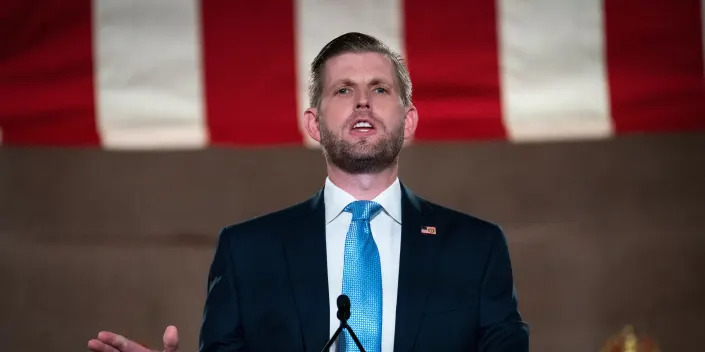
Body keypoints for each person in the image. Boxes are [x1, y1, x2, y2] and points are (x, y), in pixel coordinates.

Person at [88, 32, 529, 352]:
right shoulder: (247, 252)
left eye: (379, 88)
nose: (362, 102)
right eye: (343, 90)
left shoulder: (476, 247)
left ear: (409, 121)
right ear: (314, 124)